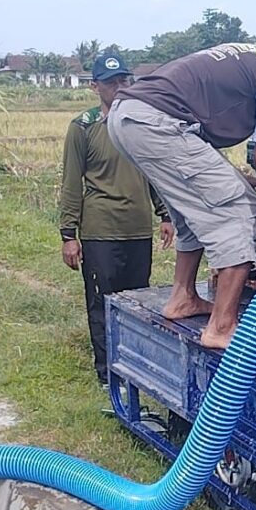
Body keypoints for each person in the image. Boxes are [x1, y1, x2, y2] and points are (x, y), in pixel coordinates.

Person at [106, 20, 256, 351]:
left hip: (130, 117)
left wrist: (238, 178)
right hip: (157, 122)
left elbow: (198, 135)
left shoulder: (251, 56)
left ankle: (182, 297)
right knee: (244, 210)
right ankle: (223, 326)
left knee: (193, 212)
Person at [59, 53, 175, 387]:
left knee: (136, 303)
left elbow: (152, 170)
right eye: (111, 82)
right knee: (102, 303)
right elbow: (71, 181)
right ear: (95, 86)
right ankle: (107, 373)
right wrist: (69, 233)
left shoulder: (138, 122)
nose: (119, 87)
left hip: (137, 228)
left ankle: (133, 369)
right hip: (101, 229)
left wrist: (164, 214)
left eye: (124, 80)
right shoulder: (83, 127)